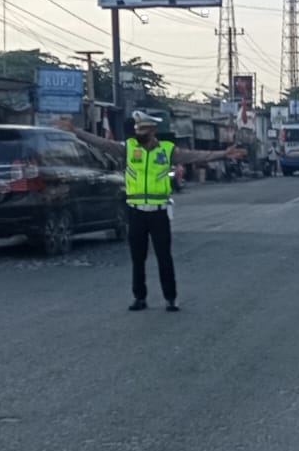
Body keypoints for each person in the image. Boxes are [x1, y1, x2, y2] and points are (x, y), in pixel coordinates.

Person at [59, 111, 244, 312]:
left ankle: (171, 298)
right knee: (137, 258)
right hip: (136, 212)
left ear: (153, 131)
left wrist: (223, 154)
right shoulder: (128, 148)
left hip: (159, 213)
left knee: (164, 257)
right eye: (138, 129)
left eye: (144, 129)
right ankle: (139, 298)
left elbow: (196, 155)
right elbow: (101, 143)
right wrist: (76, 131)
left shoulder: (167, 150)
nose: (139, 133)